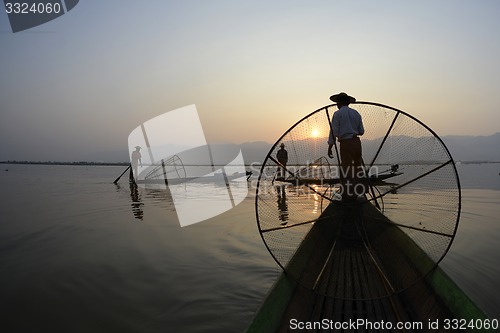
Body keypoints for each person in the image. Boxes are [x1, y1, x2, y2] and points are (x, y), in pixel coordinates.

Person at [327, 92, 365, 200]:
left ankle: (347, 194)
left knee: (346, 168)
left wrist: (330, 146)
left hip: (345, 143)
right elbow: (361, 131)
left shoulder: (338, 114)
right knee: (357, 167)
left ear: (339, 103)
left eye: (337, 102)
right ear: (348, 103)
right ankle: (359, 192)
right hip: (356, 142)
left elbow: (334, 131)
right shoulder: (356, 113)